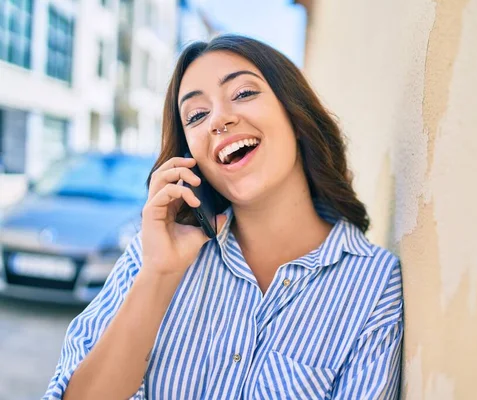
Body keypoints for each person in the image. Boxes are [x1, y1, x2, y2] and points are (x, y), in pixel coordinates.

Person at [44, 34, 403, 400]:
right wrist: (158, 276)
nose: (219, 120)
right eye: (197, 115)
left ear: (294, 113)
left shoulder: (374, 283)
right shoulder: (153, 256)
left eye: (244, 93)